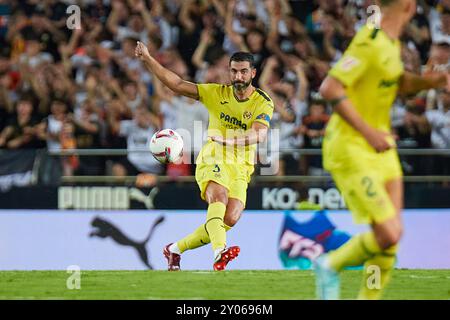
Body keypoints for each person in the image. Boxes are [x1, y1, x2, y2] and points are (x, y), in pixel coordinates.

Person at [315, 0, 449, 299]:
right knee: (389, 233)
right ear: (409, 6)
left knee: (390, 239)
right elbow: (330, 88)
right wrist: (368, 132)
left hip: (381, 147)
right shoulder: (369, 40)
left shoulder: (390, 42)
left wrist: (436, 80)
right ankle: (330, 264)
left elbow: (398, 83)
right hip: (352, 146)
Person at [135, 42, 273, 271]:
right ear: (229, 72)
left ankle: (175, 249)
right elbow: (177, 84)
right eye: (234, 71)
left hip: (241, 166)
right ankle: (220, 252)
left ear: (253, 73)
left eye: (243, 71)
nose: (238, 76)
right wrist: (148, 59)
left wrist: (230, 140)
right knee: (218, 197)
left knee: (230, 218)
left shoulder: (263, 101)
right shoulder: (216, 93)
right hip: (213, 157)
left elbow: (258, 134)